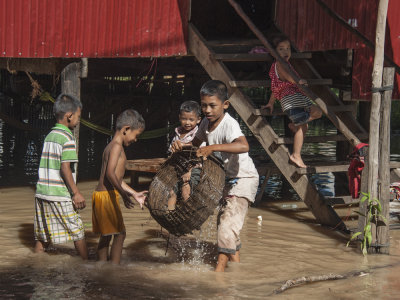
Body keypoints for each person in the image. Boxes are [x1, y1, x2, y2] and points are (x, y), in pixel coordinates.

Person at [171, 80, 259, 272]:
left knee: (226, 227)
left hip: (244, 179)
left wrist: (212, 148)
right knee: (226, 226)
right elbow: (194, 145)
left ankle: (218, 277)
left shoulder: (229, 124)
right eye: (204, 106)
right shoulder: (204, 123)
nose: (208, 110)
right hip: (227, 180)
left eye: (213, 105)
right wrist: (180, 145)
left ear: (225, 105)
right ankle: (237, 272)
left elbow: (244, 146)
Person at [34, 94, 88, 259]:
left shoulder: (49, 136)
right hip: (59, 194)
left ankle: (37, 262)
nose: (78, 121)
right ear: (69, 116)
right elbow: (65, 168)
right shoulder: (68, 138)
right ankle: (87, 264)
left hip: (42, 193)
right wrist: (75, 193)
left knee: (43, 233)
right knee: (77, 230)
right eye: (78, 117)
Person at [92, 109, 147, 265]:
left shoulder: (111, 146)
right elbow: (110, 174)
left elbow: (116, 177)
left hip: (101, 195)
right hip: (106, 197)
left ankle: (101, 266)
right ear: (126, 129)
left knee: (107, 235)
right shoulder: (116, 147)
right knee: (120, 234)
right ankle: (114, 268)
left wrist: (134, 193)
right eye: (136, 135)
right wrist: (123, 194)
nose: (136, 139)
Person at [263, 35, 322, 168]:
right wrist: (298, 81)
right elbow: (288, 78)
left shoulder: (285, 64)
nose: (286, 52)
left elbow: (275, 88)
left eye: (288, 48)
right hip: (291, 101)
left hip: (299, 98)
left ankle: (296, 126)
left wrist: (271, 103)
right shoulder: (279, 64)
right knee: (303, 127)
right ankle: (296, 155)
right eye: (281, 49)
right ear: (274, 52)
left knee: (317, 112)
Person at [167, 100, 202, 210]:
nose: (187, 122)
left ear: (198, 120)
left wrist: (189, 170)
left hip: (193, 167)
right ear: (179, 118)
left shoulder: (199, 134)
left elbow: (200, 155)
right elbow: (172, 151)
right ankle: (170, 215)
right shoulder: (178, 133)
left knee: (186, 190)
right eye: (184, 119)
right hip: (179, 166)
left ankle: (188, 215)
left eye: (191, 119)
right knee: (171, 191)